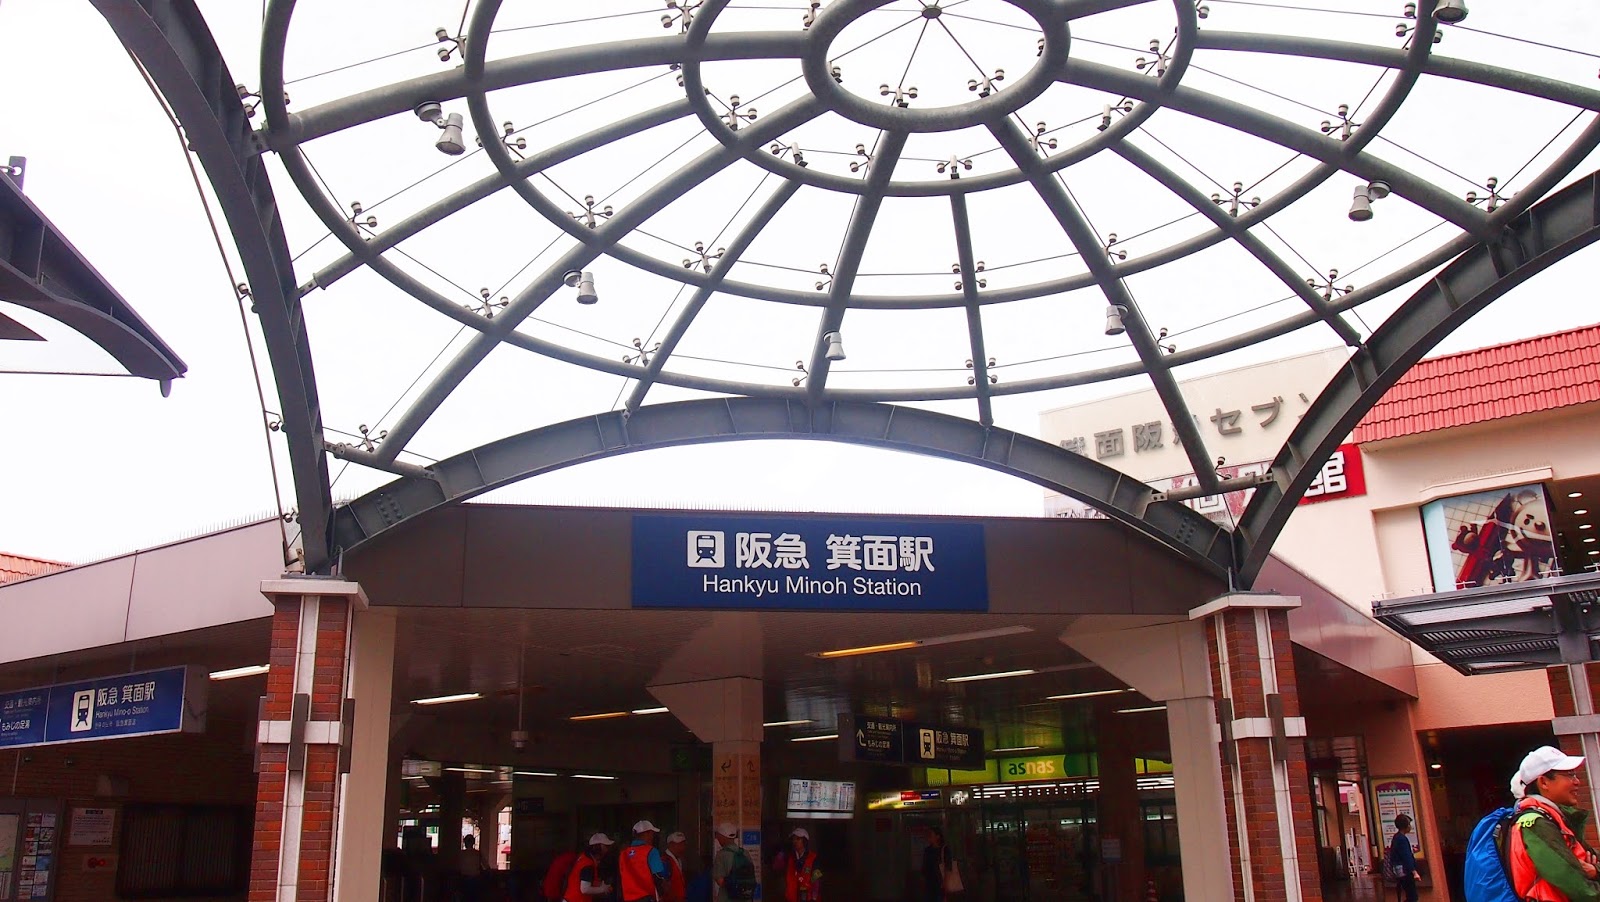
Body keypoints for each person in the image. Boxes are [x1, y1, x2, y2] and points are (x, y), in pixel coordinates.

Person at [1507, 746, 1600, 902]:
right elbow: (1579, 887)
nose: (1577, 781)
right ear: (1543, 782)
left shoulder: (1555, 819)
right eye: (1569, 775)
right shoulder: (1536, 824)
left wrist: (1595, 870)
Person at [619, 820, 670, 902]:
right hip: (647, 897)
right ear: (647, 833)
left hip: (628, 898)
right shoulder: (651, 851)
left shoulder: (623, 854)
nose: (652, 837)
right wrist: (661, 893)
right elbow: (658, 876)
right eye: (652, 834)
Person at [565, 833, 617, 902]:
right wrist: (603, 889)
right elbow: (585, 889)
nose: (608, 849)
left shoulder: (584, 858)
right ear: (598, 848)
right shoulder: (588, 864)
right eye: (606, 846)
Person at [779, 827, 820, 902]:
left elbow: (816, 880)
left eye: (798, 839)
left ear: (804, 841)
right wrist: (782, 852)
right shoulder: (789, 857)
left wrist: (814, 898)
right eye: (793, 839)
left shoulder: (813, 858)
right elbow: (777, 866)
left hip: (807, 899)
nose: (795, 841)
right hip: (791, 898)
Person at [1387, 814, 1418, 902]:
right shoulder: (1402, 839)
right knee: (1412, 897)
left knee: (1409, 895)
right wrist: (1414, 872)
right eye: (1409, 824)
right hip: (1405, 871)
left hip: (1398, 871)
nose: (1410, 826)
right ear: (1406, 826)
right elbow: (1406, 857)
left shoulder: (1396, 837)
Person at [710, 823, 742, 902]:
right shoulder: (745, 853)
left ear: (723, 837)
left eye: (718, 836)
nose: (718, 839)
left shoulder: (721, 855)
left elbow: (720, 881)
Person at [459, 834, 494, 902]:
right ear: (473, 843)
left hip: (464, 880)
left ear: (465, 843)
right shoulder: (477, 853)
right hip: (475, 880)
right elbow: (486, 866)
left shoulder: (461, 854)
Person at [922, 825, 951, 902]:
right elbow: (925, 866)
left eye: (931, 834)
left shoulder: (944, 849)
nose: (929, 837)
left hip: (940, 883)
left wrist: (945, 882)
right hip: (929, 883)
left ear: (938, 836)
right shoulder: (927, 850)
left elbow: (948, 866)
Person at [662, 832, 689, 902]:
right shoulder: (665, 861)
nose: (682, 847)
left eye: (683, 844)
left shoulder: (679, 860)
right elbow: (664, 884)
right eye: (679, 844)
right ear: (670, 845)